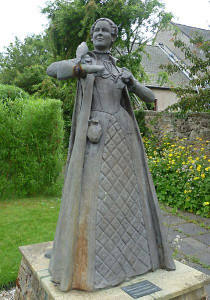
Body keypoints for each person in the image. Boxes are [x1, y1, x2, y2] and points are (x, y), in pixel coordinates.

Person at [46, 17, 175, 293]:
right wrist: (80, 68)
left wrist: (134, 82)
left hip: (124, 137)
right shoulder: (85, 57)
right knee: (93, 199)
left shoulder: (119, 68)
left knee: (127, 198)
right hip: (97, 137)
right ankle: (84, 259)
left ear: (113, 36)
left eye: (105, 30)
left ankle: (132, 260)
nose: (99, 34)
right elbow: (53, 69)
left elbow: (150, 96)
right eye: (96, 30)